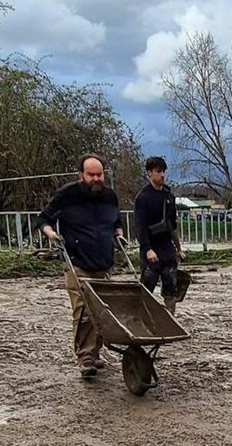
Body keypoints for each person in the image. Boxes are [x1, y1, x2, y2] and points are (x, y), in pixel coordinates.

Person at [38, 153, 125, 380]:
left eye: (100, 174)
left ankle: (95, 352)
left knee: (102, 310)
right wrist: (51, 234)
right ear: (81, 175)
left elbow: (116, 222)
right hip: (76, 262)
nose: (96, 179)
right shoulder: (67, 196)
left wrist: (120, 235)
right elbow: (43, 219)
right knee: (84, 310)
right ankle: (85, 357)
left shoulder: (109, 197)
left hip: (103, 262)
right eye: (91, 175)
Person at [133, 156, 185, 315]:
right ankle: (143, 318)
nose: (162, 175)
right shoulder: (143, 198)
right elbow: (140, 227)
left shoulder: (169, 196)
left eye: (163, 171)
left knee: (171, 286)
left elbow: (172, 226)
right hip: (150, 249)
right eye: (158, 171)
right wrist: (147, 249)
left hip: (167, 248)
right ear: (149, 173)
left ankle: (170, 319)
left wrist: (179, 249)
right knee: (147, 286)